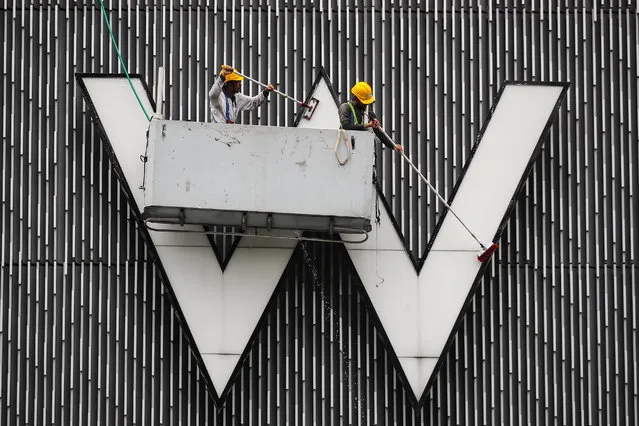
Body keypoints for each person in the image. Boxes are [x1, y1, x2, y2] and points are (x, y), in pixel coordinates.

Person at [338, 81, 403, 152]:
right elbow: (346, 126)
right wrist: (367, 125)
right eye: (364, 102)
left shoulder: (368, 113)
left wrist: (393, 145)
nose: (366, 105)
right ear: (356, 98)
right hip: (347, 151)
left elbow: (379, 132)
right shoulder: (345, 108)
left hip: (364, 152)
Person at [209, 65, 274, 124]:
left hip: (229, 133)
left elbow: (252, 102)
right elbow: (212, 94)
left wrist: (266, 92)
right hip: (216, 133)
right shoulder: (217, 97)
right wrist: (222, 76)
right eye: (238, 82)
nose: (240, 85)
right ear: (230, 85)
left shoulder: (237, 97)